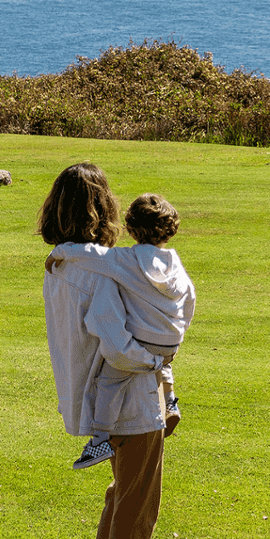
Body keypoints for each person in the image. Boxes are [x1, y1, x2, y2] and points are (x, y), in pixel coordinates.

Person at [38, 163, 180, 539]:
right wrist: (157, 364)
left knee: (121, 495)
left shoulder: (63, 263)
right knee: (137, 503)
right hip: (128, 397)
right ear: (102, 207)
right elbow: (119, 342)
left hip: (98, 398)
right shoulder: (104, 272)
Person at [50, 192, 194, 471]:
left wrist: (59, 252)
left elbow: (89, 254)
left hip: (143, 339)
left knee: (110, 380)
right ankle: (170, 402)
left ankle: (100, 438)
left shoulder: (124, 260)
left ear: (130, 227)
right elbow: (189, 299)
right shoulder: (175, 265)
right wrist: (177, 333)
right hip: (170, 340)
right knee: (162, 366)